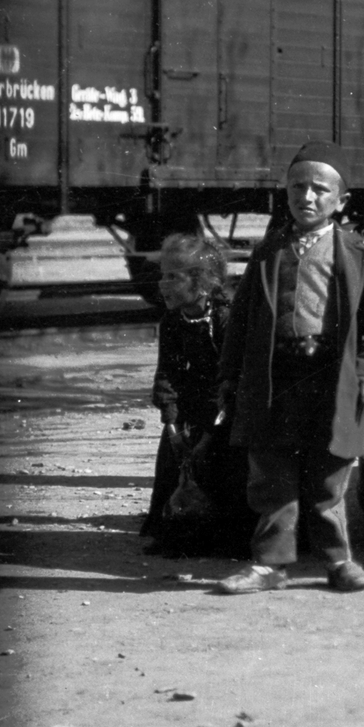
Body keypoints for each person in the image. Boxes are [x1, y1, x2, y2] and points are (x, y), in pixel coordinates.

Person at [214, 141, 364, 594]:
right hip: (276, 380)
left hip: (331, 381)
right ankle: (269, 564)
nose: (307, 197)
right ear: (286, 192)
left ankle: (337, 561)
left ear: (341, 200)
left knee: (328, 474)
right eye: (298, 187)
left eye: (320, 189)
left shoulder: (354, 253)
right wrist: (228, 377)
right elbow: (241, 320)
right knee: (272, 473)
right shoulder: (267, 252)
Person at [142, 233, 255, 556]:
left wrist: (208, 433)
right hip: (189, 410)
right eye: (162, 276)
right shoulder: (171, 321)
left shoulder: (225, 318)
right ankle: (173, 532)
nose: (163, 284)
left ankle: (223, 537)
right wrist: (171, 421)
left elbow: (232, 378)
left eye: (173, 277)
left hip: (224, 411)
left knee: (222, 467)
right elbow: (167, 373)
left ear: (203, 283)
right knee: (173, 463)